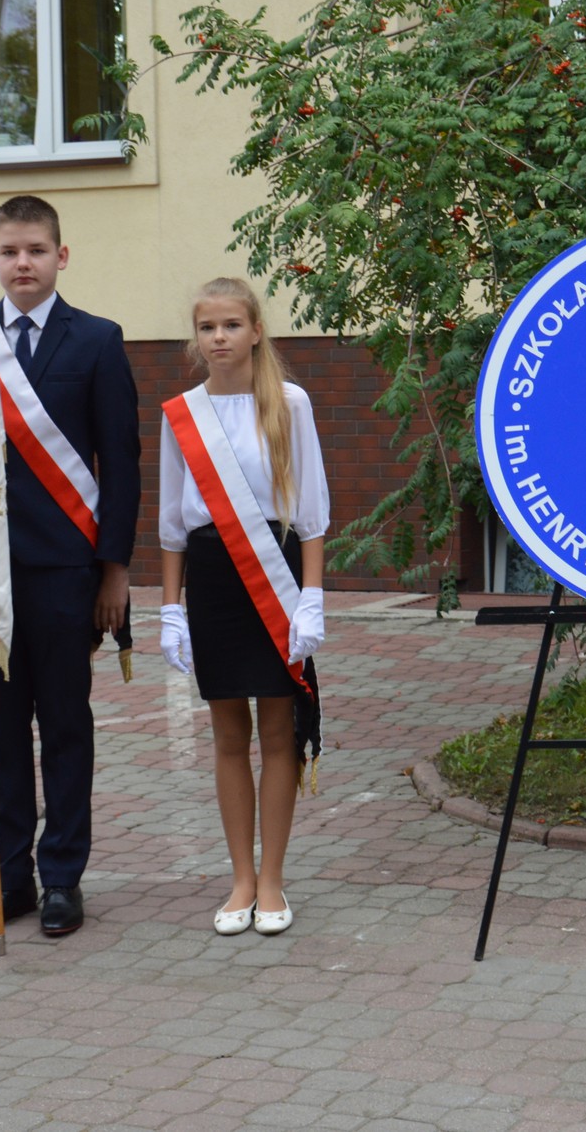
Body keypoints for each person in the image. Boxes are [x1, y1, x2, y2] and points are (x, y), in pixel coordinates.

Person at [0, 195, 140, 939]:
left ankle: (62, 877)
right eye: (9, 251)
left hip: (65, 571)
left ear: (61, 256)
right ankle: (7, 881)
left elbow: (120, 463)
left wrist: (114, 570)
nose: (22, 263)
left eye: (35, 250)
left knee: (63, 725)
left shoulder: (97, 340)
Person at [156, 277, 329, 936]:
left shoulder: (290, 403)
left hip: (275, 574)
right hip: (213, 579)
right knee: (229, 736)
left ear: (256, 331)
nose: (219, 337)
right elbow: (172, 524)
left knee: (279, 733)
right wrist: (171, 609)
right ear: (195, 338)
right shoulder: (181, 413)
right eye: (207, 327)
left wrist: (312, 598)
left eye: (231, 324)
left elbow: (311, 514)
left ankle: (274, 879)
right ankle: (241, 880)